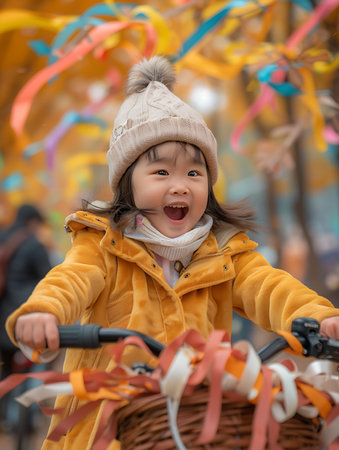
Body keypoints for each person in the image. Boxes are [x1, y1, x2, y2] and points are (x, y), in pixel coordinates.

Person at [5, 56, 339, 450]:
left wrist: (321, 318)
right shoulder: (102, 244)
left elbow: (270, 287)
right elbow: (71, 279)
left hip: (201, 420)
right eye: (162, 172)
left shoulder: (225, 252)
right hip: (112, 426)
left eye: (194, 174)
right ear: (128, 185)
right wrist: (44, 314)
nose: (180, 186)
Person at [0, 204, 51, 436]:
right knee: (32, 369)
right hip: (25, 319)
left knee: (6, 372)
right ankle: (23, 417)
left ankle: (5, 417)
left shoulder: (3, 236)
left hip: (2, 318)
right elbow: (49, 282)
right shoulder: (34, 245)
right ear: (33, 221)